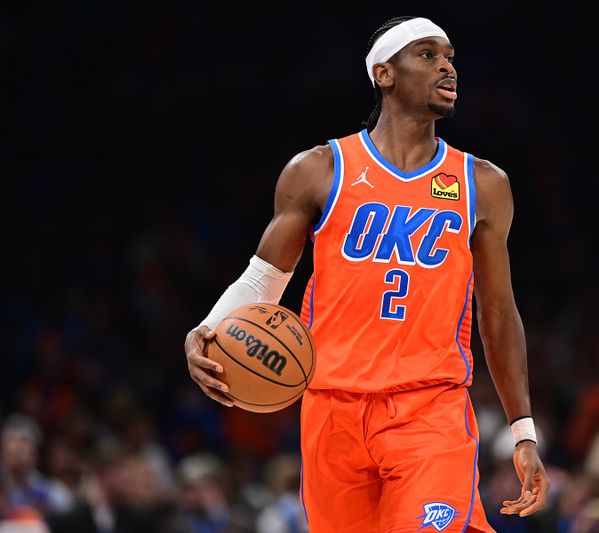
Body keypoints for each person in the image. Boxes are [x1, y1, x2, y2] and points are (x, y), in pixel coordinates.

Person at [184, 15, 550, 532]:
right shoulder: (318, 170)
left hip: (429, 409)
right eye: (427, 54)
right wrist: (206, 329)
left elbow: (497, 311)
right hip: (331, 408)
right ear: (384, 73)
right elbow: (264, 279)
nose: (447, 66)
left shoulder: (482, 183)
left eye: (449, 56)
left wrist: (523, 431)